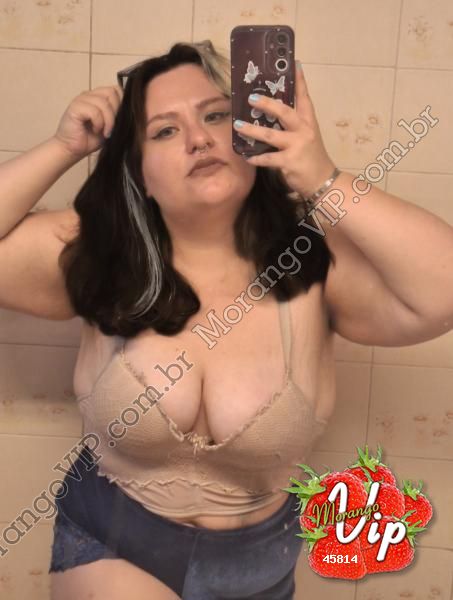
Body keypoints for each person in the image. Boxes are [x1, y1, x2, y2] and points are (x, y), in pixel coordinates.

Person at [0, 39, 452, 600]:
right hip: (113, 539)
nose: (199, 138)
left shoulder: (316, 261)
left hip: (260, 566)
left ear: (252, 137)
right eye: (165, 130)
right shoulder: (99, 252)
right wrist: (63, 148)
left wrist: (321, 177)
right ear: (140, 173)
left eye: (215, 116)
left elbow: (443, 292)